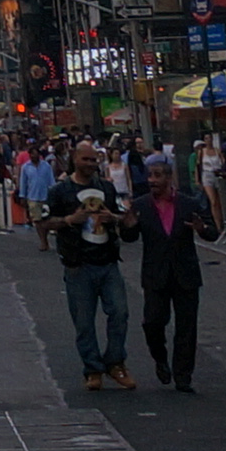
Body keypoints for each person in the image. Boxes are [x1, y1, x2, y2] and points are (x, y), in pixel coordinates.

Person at [44, 167, 133, 390]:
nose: (90, 164)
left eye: (93, 160)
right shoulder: (60, 191)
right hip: (78, 265)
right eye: (86, 160)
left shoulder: (107, 188)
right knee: (84, 322)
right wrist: (69, 220)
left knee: (120, 312)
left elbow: (123, 217)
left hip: (108, 262)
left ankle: (115, 362)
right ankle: (93, 369)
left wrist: (113, 218)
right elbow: (44, 221)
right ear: (75, 161)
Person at [133, 156, 210, 393]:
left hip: (185, 274)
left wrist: (202, 229)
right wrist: (126, 225)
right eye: (150, 176)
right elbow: (129, 236)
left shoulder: (188, 204)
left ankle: (183, 375)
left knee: (186, 327)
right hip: (155, 275)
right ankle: (160, 358)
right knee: (153, 322)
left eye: (157, 176)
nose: (152, 180)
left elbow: (213, 231)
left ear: (169, 178)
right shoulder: (141, 205)